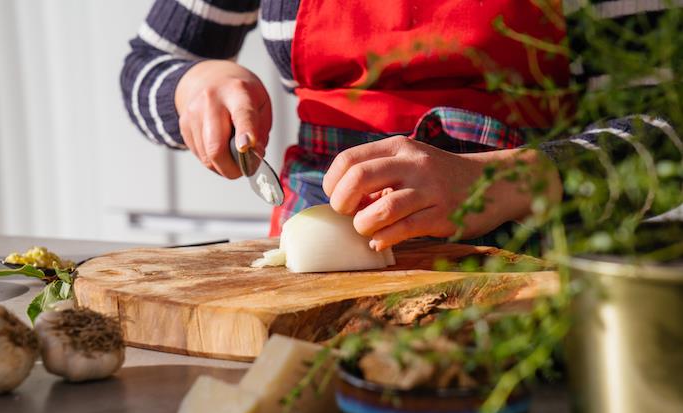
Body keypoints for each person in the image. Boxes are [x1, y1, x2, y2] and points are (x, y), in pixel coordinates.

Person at [120, 0, 677, 250]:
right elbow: (147, 64)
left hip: (539, 272)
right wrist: (190, 87)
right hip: (317, 274)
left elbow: (669, 135)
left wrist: (511, 182)